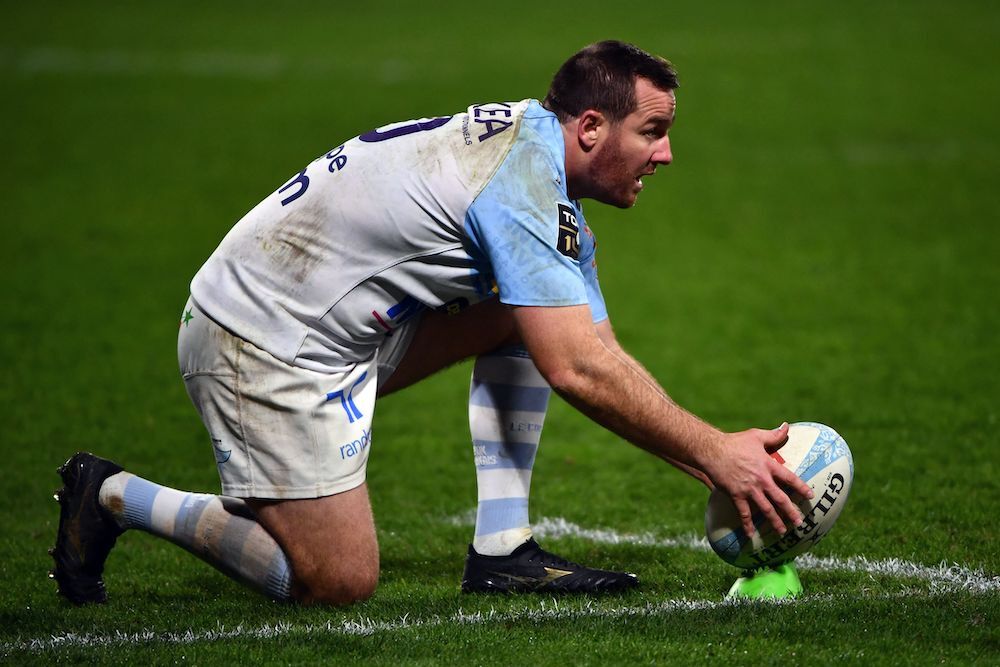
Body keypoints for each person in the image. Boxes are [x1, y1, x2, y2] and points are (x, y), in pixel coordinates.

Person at [50, 40, 812, 606]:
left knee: (522, 318)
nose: (667, 153)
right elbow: (577, 369)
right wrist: (717, 454)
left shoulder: (541, 170)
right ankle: (115, 494)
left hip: (332, 326)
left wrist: (727, 468)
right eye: (652, 130)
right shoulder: (521, 189)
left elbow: (596, 353)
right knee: (336, 579)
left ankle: (503, 549)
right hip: (261, 339)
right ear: (589, 127)